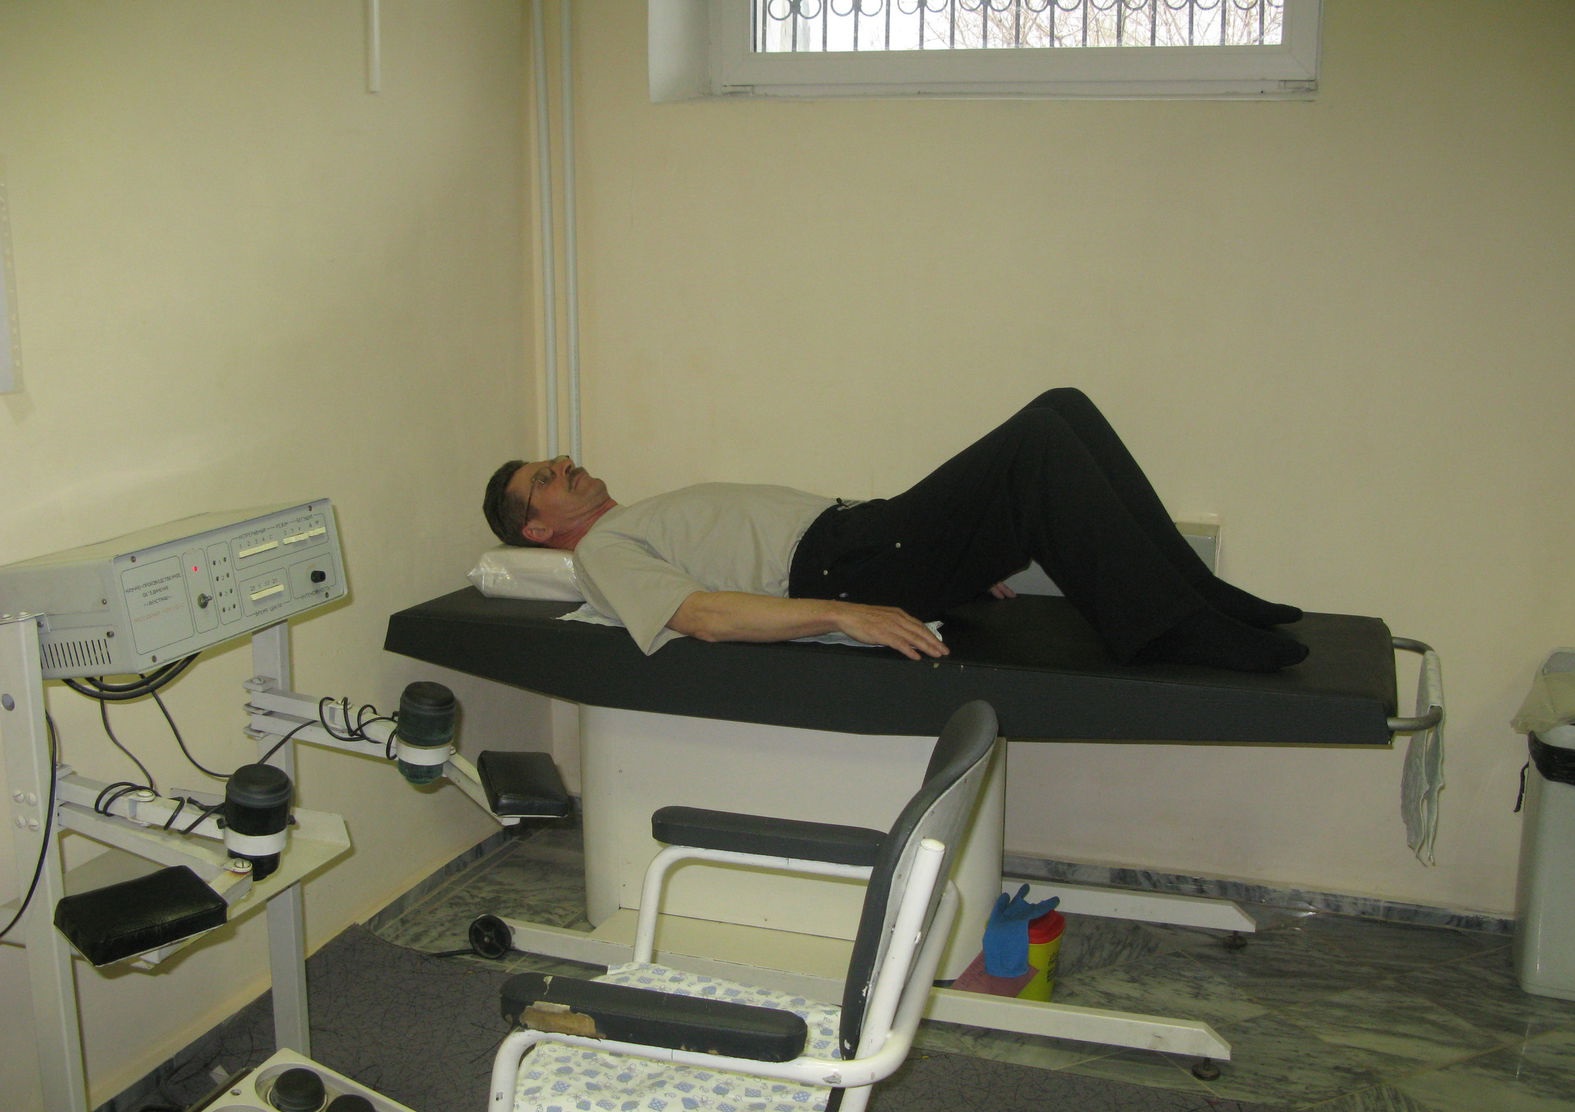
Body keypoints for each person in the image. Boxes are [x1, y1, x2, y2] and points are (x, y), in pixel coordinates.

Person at [482, 388, 1307, 672]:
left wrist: (959, 551)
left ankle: (1200, 596)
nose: (565, 467)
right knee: (1039, 436)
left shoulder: (640, 517)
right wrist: (843, 615)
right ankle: (1163, 627)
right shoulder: (603, 553)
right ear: (538, 531)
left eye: (558, 460)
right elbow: (702, 616)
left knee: (1062, 411)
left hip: (868, 539)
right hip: (846, 566)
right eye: (544, 480)